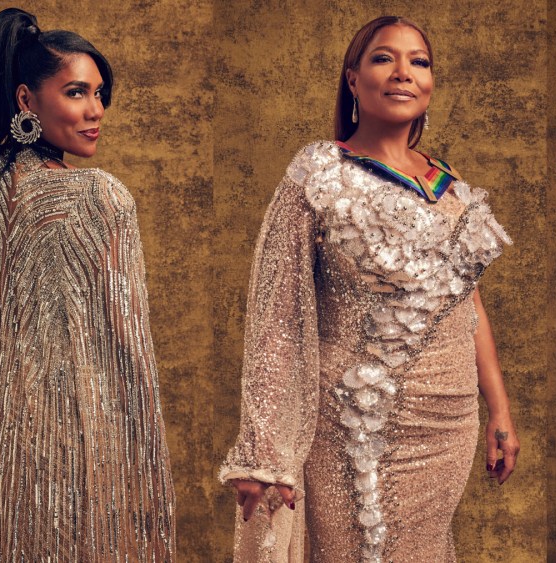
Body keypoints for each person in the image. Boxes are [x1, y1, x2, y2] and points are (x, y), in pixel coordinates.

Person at [220, 15, 519, 562]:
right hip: (352, 421)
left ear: (431, 83)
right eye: (384, 58)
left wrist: (498, 408)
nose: (403, 73)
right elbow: (276, 315)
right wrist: (264, 450)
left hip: (449, 424)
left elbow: (465, 302)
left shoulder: (449, 187)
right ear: (353, 79)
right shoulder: (319, 176)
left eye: (419, 62)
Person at [0, 8, 175, 560]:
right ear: (26, 100)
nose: (96, 111)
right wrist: (139, 475)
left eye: (100, 94)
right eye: (77, 93)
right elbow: (128, 349)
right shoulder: (101, 197)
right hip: (78, 444)